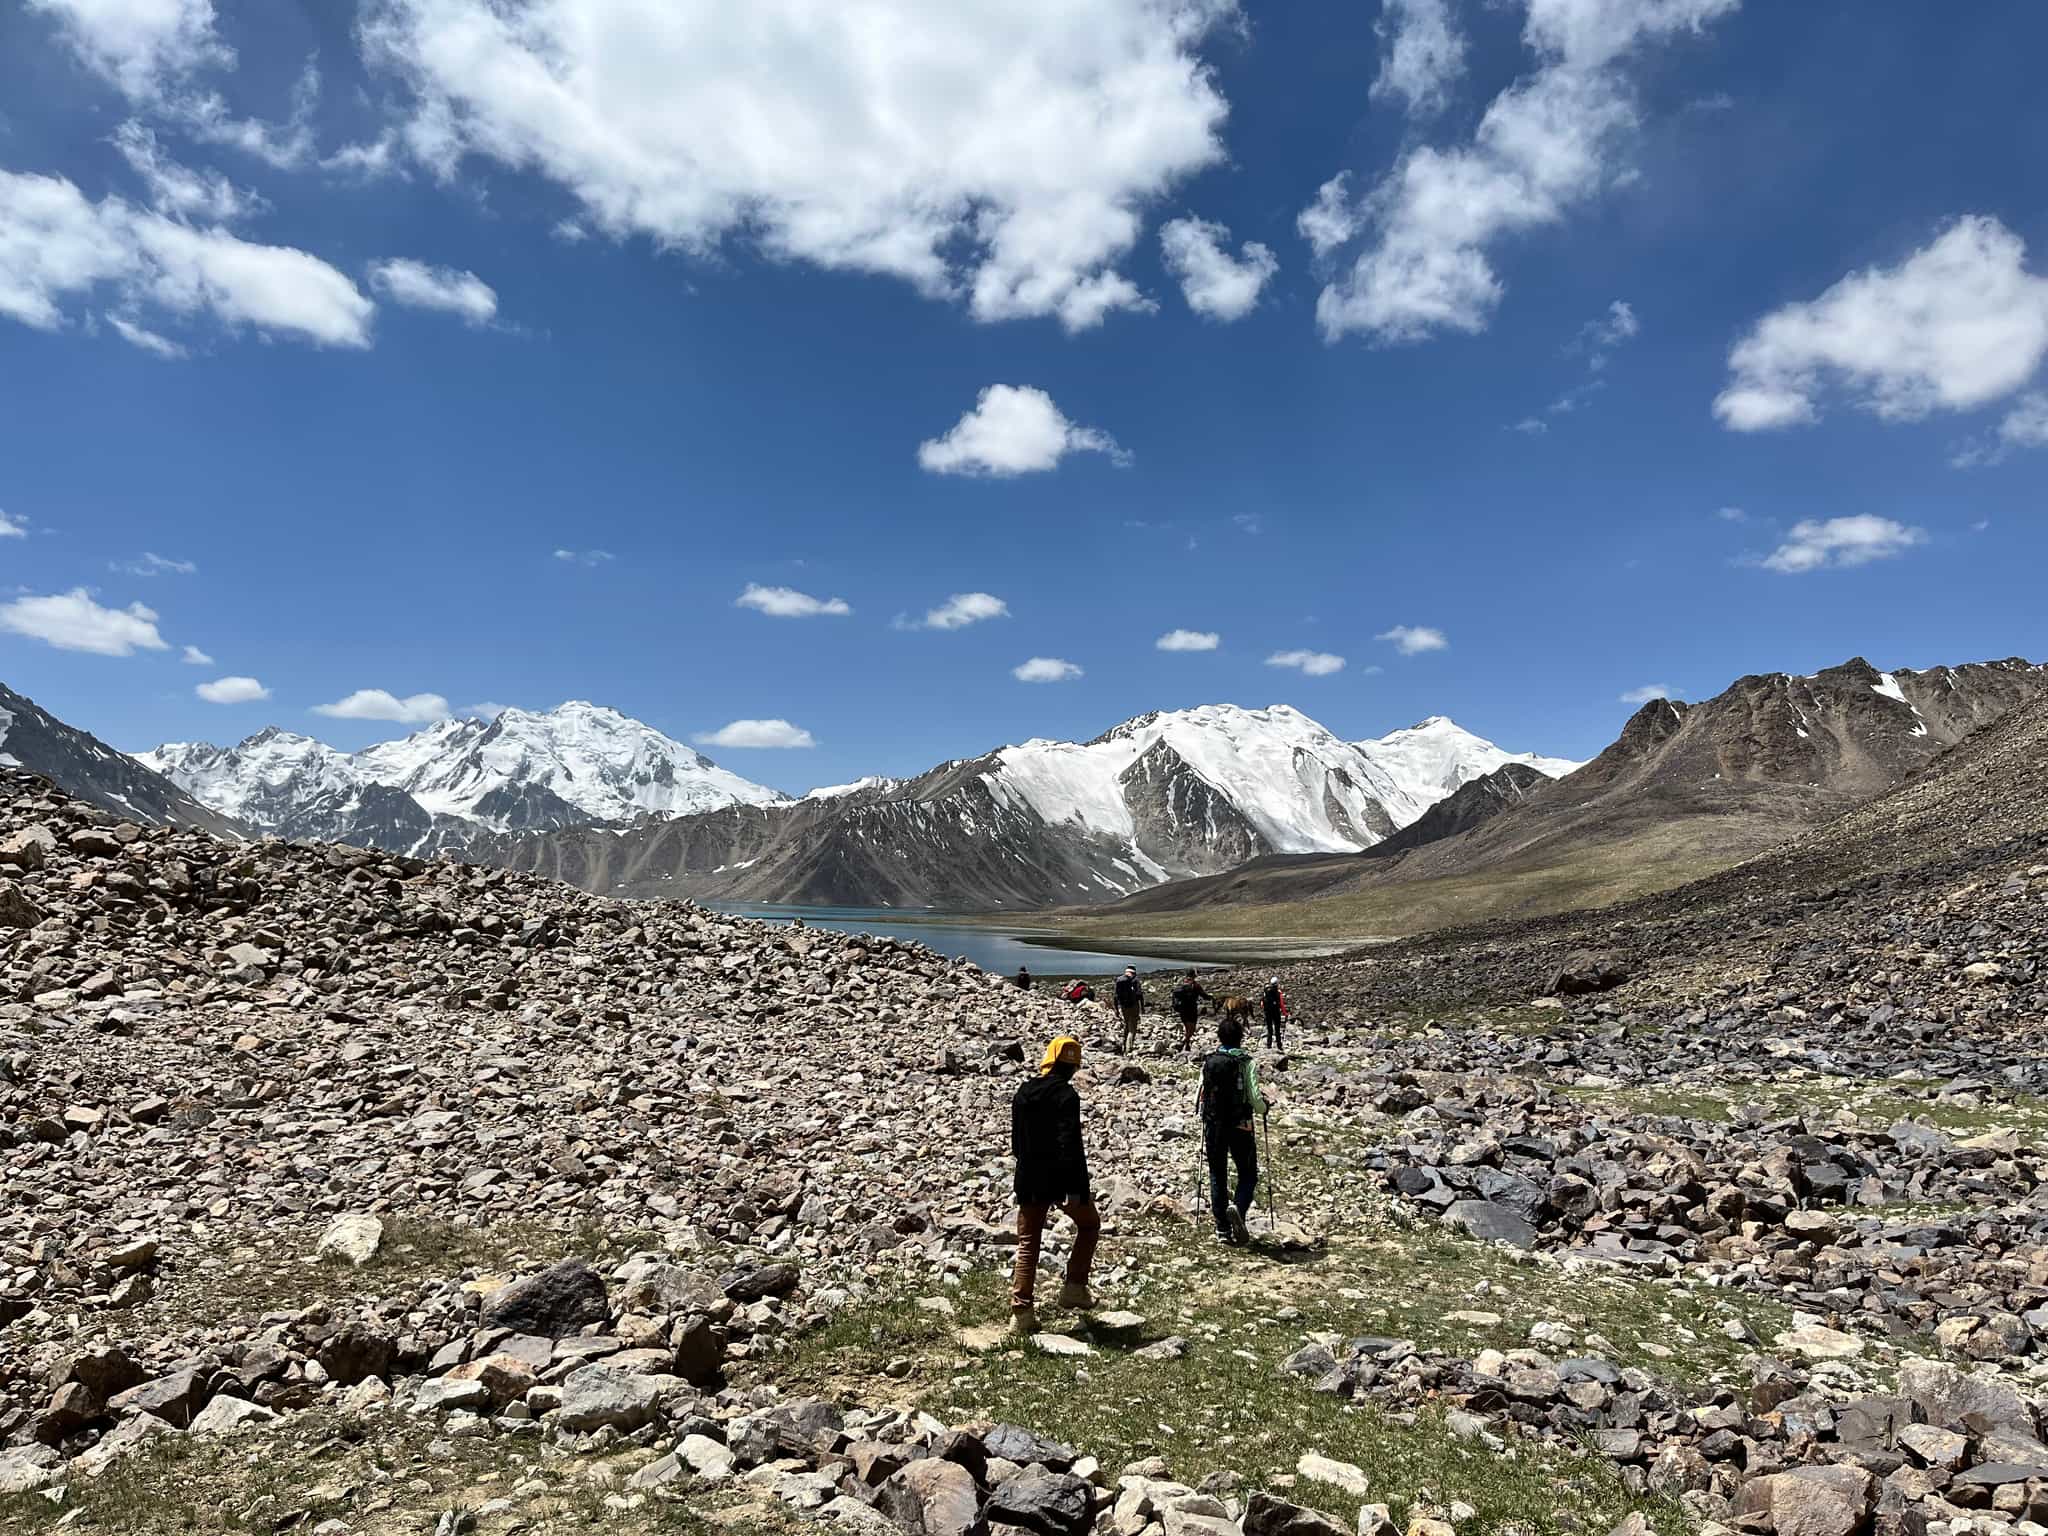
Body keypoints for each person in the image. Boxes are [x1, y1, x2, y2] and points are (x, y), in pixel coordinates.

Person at [1009, 1035, 1100, 1334]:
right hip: (1061, 1179)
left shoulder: (1023, 1092)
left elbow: (1016, 1143)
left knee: (1028, 1243)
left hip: (1029, 1176)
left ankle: (1021, 1313)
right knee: (1089, 1225)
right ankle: (1074, 1286)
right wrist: (1078, 1188)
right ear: (1073, 1067)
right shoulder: (1067, 1096)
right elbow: (1070, 1144)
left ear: (1049, 1059)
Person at [1197, 1015, 1267, 1246]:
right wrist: (1264, 1108)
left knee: (1217, 1173)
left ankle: (1222, 1230)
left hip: (1214, 1124)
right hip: (1241, 1125)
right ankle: (1238, 1207)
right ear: (1240, 1037)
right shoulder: (1246, 1062)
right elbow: (1255, 1098)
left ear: (1219, 1037)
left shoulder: (1210, 1061)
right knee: (1248, 1173)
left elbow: (1200, 1094)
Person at [1170, 970, 1213, 1051]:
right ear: (1194, 976)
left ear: (1186, 975)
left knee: (1187, 1027)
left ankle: (1186, 1043)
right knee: (1192, 1029)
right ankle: (1185, 1042)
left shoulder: (1181, 983)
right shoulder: (1195, 985)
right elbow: (1204, 996)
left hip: (1182, 1009)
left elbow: (1175, 994)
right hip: (1191, 1009)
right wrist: (1211, 997)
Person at [1112, 966, 1144, 1054]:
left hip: (1123, 1006)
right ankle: (1128, 1049)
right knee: (1132, 1028)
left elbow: (1115, 996)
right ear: (1134, 973)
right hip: (1134, 1006)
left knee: (1127, 1024)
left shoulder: (1120, 981)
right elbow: (1140, 995)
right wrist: (1142, 1007)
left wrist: (1116, 1010)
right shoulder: (1135, 980)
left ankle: (1123, 1044)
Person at [1261, 975, 1289, 1051]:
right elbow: (1282, 1004)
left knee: (1269, 1029)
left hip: (1267, 1013)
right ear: (1277, 983)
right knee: (1277, 1029)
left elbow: (1262, 1004)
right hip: (1276, 1012)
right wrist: (1285, 1013)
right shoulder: (1278, 993)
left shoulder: (1266, 992)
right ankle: (1279, 1045)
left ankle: (1269, 1045)